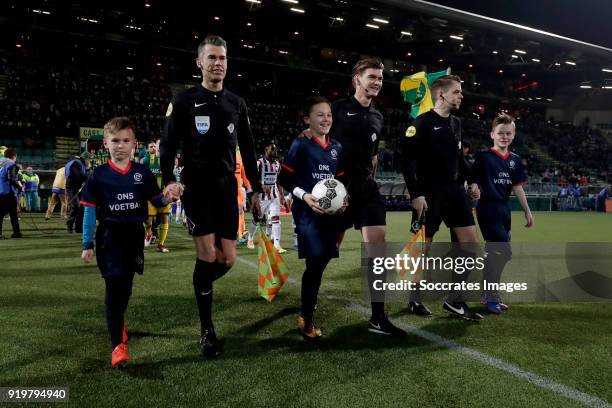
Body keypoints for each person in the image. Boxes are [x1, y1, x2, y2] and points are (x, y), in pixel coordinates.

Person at [160, 35, 262, 358]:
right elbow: (166, 144)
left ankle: (200, 286)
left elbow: (248, 147)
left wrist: (256, 188)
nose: (218, 63)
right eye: (212, 58)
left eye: (223, 58)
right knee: (206, 255)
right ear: (200, 63)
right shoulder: (184, 100)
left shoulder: (237, 103)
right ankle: (207, 330)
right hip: (196, 189)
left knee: (228, 258)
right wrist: (167, 180)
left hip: (227, 190)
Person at [80, 117, 175, 368]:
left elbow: (158, 202)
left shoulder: (142, 173)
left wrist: (169, 195)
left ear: (134, 144)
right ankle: (117, 347)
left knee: (126, 287)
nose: (120, 145)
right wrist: (87, 243)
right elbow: (89, 212)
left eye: (125, 141)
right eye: (115, 141)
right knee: (114, 287)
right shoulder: (98, 175)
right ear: (105, 144)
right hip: (109, 237)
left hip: (134, 236)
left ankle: (118, 322)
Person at [331, 58, 406, 337]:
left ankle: (377, 317)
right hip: (337, 190)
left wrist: (370, 176)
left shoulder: (379, 115)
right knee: (327, 252)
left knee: (377, 250)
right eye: (372, 77)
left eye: (380, 78)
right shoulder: (336, 109)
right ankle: (307, 306)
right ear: (356, 80)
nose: (377, 82)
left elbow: (373, 154)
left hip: (366, 189)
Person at [400, 74, 484, 321]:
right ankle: (414, 298)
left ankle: (455, 301)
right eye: (457, 91)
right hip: (430, 195)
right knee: (422, 249)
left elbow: (458, 159)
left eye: (460, 92)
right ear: (441, 95)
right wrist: (416, 194)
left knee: (470, 246)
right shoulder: (422, 122)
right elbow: (407, 162)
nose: (461, 96)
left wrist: (472, 181)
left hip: (455, 193)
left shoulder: (456, 123)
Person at [278, 96, 346, 342]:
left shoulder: (337, 147)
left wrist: (343, 199)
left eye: (328, 114)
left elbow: (339, 180)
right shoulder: (301, 144)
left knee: (322, 260)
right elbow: (285, 179)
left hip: (330, 213)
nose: (326, 119)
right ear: (308, 119)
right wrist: (304, 196)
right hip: (306, 212)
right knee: (316, 261)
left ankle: (308, 302)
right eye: (320, 114)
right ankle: (306, 317)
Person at [469, 114, 534, 314]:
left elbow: (518, 188)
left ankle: (487, 293)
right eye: (500, 133)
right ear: (492, 134)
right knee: (504, 252)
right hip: (487, 208)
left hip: (505, 211)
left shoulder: (515, 160)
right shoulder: (483, 157)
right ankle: (491, 296)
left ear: (513, 135)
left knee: (497, 254)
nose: (504, 137)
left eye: (508, 133)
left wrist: (527, 211)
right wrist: (473, 189)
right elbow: (471, 180)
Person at [247, 142, 286, 252]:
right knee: (257, 218)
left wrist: (282, 196)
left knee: (275, 218)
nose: (274, 152)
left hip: (274, 196)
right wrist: (256, 191)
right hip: (261, 196)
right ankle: (250, 238)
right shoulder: (259, 163)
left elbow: (279, 182)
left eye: (275, 150)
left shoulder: (278, 164)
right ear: (266, 150)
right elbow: (252, 178)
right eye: (272, 149)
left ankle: (277, 245)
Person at [142, 139, 172, 253]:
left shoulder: (167, 161)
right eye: (155, 146)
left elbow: (171, 177)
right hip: (151, 196)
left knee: (164, 219)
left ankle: (161, 245)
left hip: (164, 195)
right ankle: (149, 234)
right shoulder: (146, 160)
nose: (156, 148)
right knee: (148, 220)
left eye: (157, 146)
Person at [0, 148, 23, 238]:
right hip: (8, 192)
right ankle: (16, 233)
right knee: (13, 214)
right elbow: (12, 179)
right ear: (14, 156)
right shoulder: (11, 164)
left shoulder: (1, 162)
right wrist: (19, 187)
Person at [65, 153, 90, 233]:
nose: (89, 161)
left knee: (82, 208)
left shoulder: (81, 164)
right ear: (86, 159)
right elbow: (79, 175)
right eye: (89, 160)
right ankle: (69, 224)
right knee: (76, 206)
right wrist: (88, 173)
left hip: (79, 188)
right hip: (72, 188)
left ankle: (79, 228)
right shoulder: (76, 163)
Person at [235, 147, 252, 243]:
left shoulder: (225, 159)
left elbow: (244, 177)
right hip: (236, 190)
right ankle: (240, 235)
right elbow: (245, 177)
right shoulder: (240, 162)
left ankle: (240, 234)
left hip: (230, 190)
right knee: (240, 212)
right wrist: (249, 188)